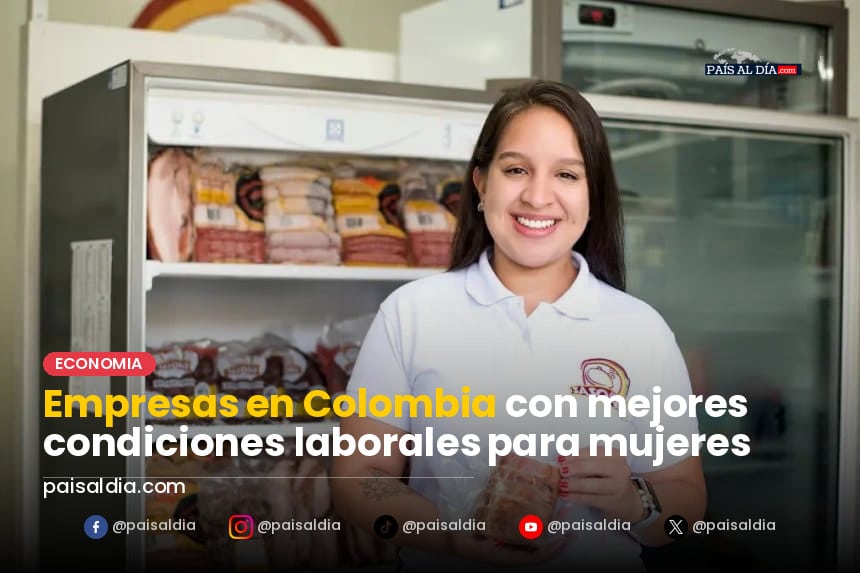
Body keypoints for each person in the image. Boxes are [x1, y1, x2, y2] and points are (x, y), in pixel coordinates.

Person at [331, 80, 706, 572]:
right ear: (481, 182)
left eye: (566, 174)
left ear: (593, 194)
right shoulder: (412, 313)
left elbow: (686, 511)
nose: (537, 196)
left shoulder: (642, 331)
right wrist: (451, 539)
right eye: (515, 169)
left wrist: (633, 502)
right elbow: (358, 478)